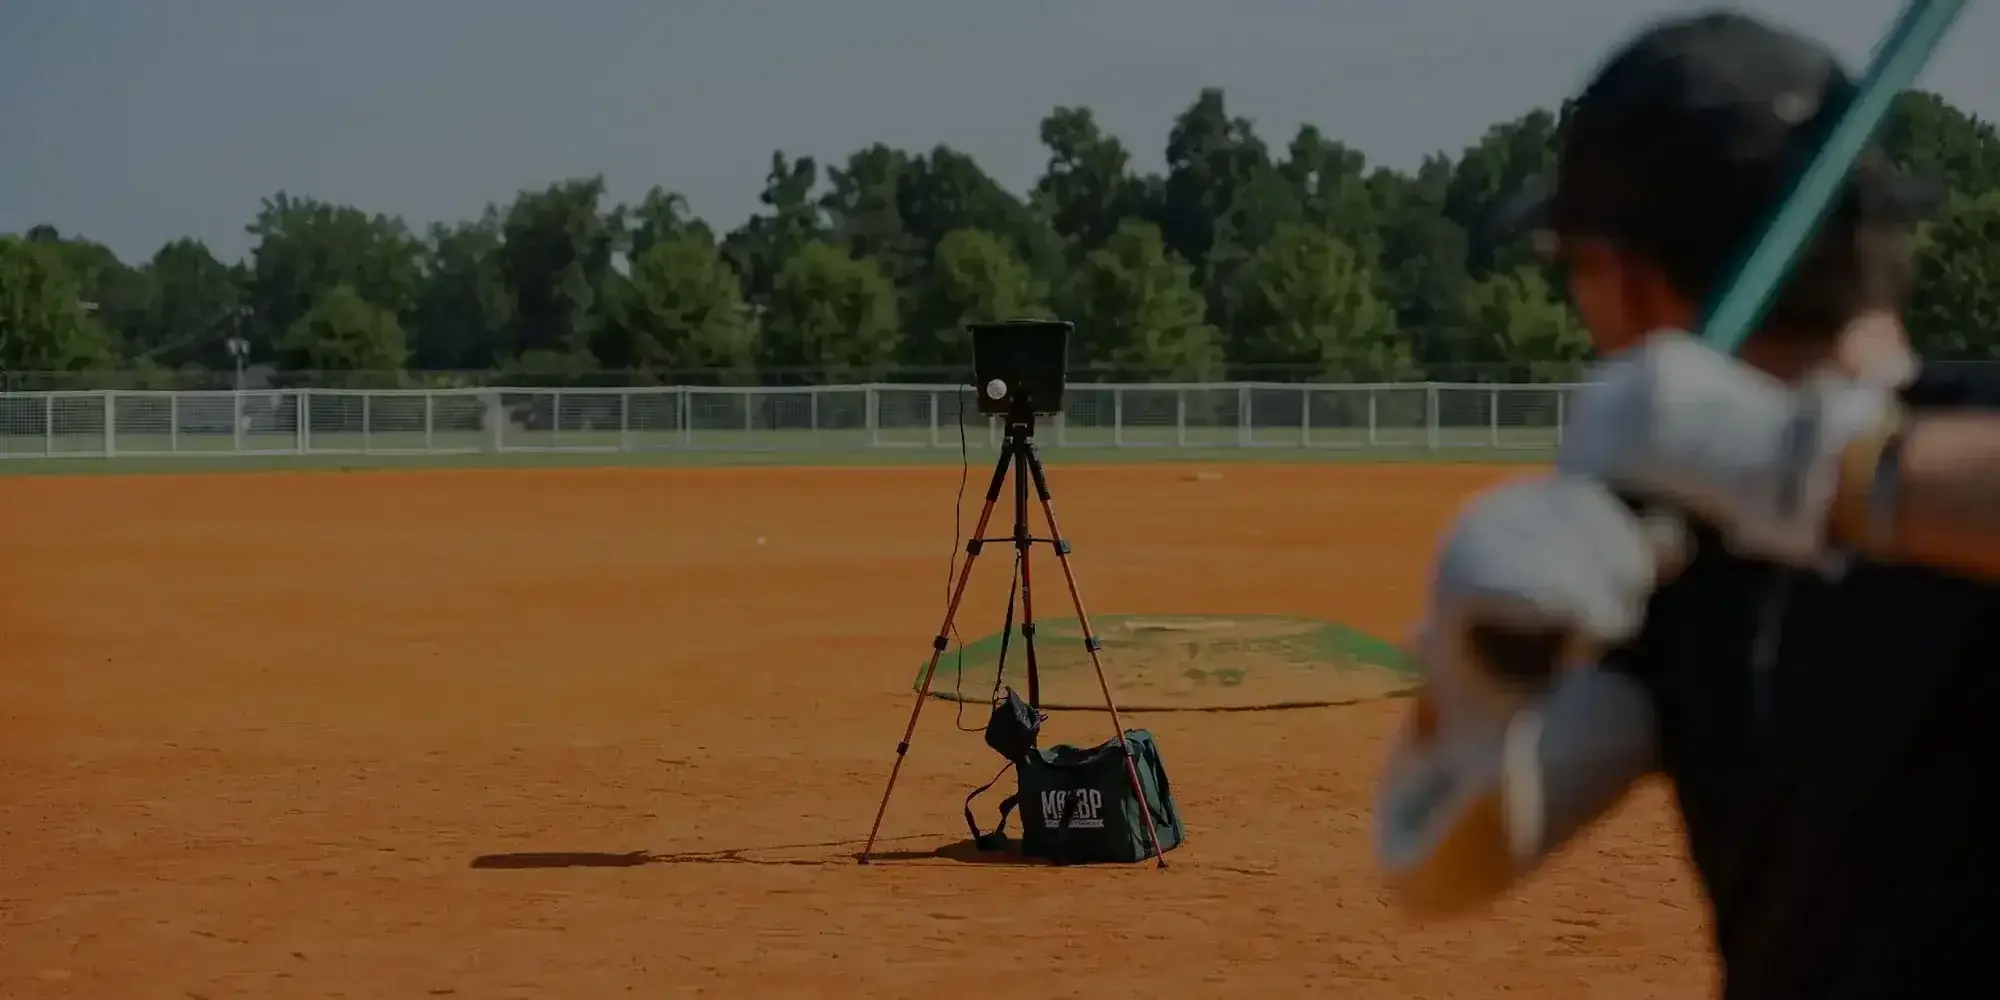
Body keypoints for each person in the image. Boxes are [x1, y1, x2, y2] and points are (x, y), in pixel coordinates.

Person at [1372, 11, 2000, 1000]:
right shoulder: (1686, 543)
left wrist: (1795, 462)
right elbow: (1438, 865)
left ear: (1618, 279)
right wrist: (1475, 694)